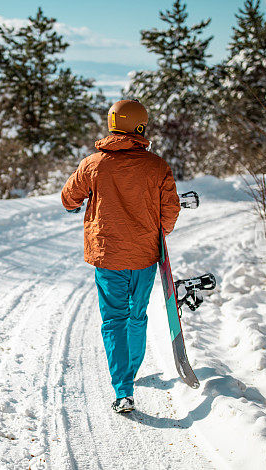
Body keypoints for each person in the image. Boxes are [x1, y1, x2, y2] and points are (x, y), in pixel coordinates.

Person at [60, 99, 180, 413]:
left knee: (114, 319)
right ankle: (131, 372)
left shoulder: (93, 164)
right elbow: (171, 209)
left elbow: (68, 197)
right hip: (144, 257)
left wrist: (79, 202)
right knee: (137, 316)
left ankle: (123, 388)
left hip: (107, 255)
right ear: (141, 126)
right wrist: (157, 235)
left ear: (113, 123)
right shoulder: (157, 166)